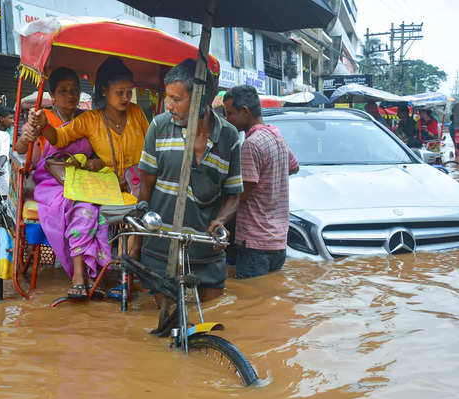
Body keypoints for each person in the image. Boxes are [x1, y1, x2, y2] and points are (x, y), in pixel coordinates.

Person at [24, 60, 149, 299]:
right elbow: (59, 138)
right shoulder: (89, 120)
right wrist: (43, 126)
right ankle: (99, 273)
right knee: (93, 213)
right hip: (107, 188)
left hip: (139, 185)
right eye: (119, 93)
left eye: (128, 93)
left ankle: (129, 273)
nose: (125, 98)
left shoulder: (137, 113)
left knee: (143, 211)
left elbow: (151, 147)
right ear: (104, 91)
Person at [133, 58, 243, 303]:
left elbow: (233, 195)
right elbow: (146, 188)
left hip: (207, 251)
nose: (168, 105)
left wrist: (221, 220)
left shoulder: (228, 136)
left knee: (216, 317)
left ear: (202, 100)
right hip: (162, 247)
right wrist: (136, 243)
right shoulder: (159, 127)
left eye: (176, 99)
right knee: (166, 322)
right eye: (167, 97)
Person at [223, 85, 299, 279]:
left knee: (249, 301)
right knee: (267, 297)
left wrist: (218, 219)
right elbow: (293, 166)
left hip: (254, 242)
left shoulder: (251, 144)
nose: (227, 119)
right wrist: (270, 182)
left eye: (230, 113)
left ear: (245, 111)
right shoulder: (276, 135)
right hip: (278, 240)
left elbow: (243, 194)